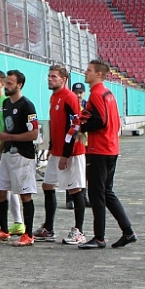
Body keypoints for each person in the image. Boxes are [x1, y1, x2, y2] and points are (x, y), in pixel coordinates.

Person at [78, 60, 136, 249]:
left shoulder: (96, 94)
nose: (85, 72)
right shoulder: (108, 94)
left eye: (89, 70)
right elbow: (114, 122)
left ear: (99, 74)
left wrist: (82, 127)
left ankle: (99, 237)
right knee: (107, 192)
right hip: (111, 148)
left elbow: (100, 121)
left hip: (99, 150)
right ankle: (127, 231)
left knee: (97, 194)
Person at [34, 65, 88, 245]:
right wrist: (51, 146)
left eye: (54, 77)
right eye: (49, 76)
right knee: (47, 185)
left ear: (64, 79)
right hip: (57, 151)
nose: (50, 79)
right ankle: (48, 228)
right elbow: (55, 124)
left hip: (72, 153)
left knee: (75, 189)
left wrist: (66, 154)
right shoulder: (54, 97)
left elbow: (75, 126)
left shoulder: (70, 98)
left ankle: (79, 231)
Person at [0, 69, 39, 247]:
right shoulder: (6, 104)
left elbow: (34, 133)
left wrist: (10, 137)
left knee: (25, 194)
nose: (7, 86)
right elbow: (6, 130)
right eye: (6, 82)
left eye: (10, 83)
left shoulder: (27, 106)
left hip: (23, 155)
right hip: (7, 153)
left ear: (19, 85)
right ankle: (3, 230)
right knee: (0, 190)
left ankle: (29, 234)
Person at [0, 70, 24, 245]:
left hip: (8, 151)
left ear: (2, 84)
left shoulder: (6, 103)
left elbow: (9, 128)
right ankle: (13, 223)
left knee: (6, 187)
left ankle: (8, 222)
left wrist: (2, 151)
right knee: (4, 188)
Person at [67, 81, 92, 210]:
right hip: (72, 141)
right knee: (71, 170)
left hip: (85, 142)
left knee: (84, 171)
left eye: (80, 92)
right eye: (76, 92)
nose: (78, 95)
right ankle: (69, 198)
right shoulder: (69, 105)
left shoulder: (87, 106)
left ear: (84, 93)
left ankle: (83, 196)